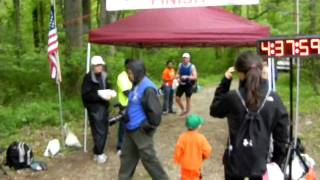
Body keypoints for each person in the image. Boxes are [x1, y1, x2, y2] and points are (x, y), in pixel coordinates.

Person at [209, 51, 289, 180]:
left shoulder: (233, 97)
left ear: (240, 74)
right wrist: (277, 161)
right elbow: (282, 136)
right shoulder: (274, 99)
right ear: (260, 69)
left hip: (234, 162)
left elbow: (214, 110)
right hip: (261, 164)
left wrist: (225, 82)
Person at [118, 59, 169, 180]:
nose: (129, 76)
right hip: (130, 130)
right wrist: (125, 113)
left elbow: (156, 114)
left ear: (138, 72)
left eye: (130, 73)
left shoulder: (148, 88)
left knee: (149, 159)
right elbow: (134, 103)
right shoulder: (136, 84)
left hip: (141, 130)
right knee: (127, 158)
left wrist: (146, 127)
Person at [81, 56, 112, 164]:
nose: (100, 67)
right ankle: (99, 154)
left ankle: (96, 152)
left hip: (104, 106)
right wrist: (100, 97)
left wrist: (110, 93)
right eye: (97, 65)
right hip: (95, 108)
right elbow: (86, 95)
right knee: (100, 131)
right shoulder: (88, 78)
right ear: (93, 66)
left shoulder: (104, 76)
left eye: (101, 65)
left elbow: (108, 87)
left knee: (102, 130)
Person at [174, 114, 212, 180]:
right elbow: (208, 150)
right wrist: (203, 157)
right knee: (196, 177)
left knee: (185, 177)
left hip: (185, 165)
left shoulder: (182, 137)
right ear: (198, 126)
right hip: (196, 165)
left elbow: (178, 151)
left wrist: (178, 160)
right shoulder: (201, 138)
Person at [115, 59, 133, 156]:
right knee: (123, 127)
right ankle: (120, 146)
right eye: (129, 66)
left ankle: (130, 146)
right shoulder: (121, 77)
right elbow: (127, 93)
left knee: (132, 125)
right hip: (124, 105)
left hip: (133, 104)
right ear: (126, 66)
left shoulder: (133, 75)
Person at [176, 52, 197, 116]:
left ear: (189, 59)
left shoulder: (192, 66)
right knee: (177, 98)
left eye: (185, 58)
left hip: (188, 85)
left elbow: (195, 77)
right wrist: (177, 78)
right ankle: (183, 109)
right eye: (183, 58)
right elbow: (178, 73)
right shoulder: (180, 65)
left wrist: (187, 76)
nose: (184, 59)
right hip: (181, 84)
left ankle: (187, 112)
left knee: (188, 99)